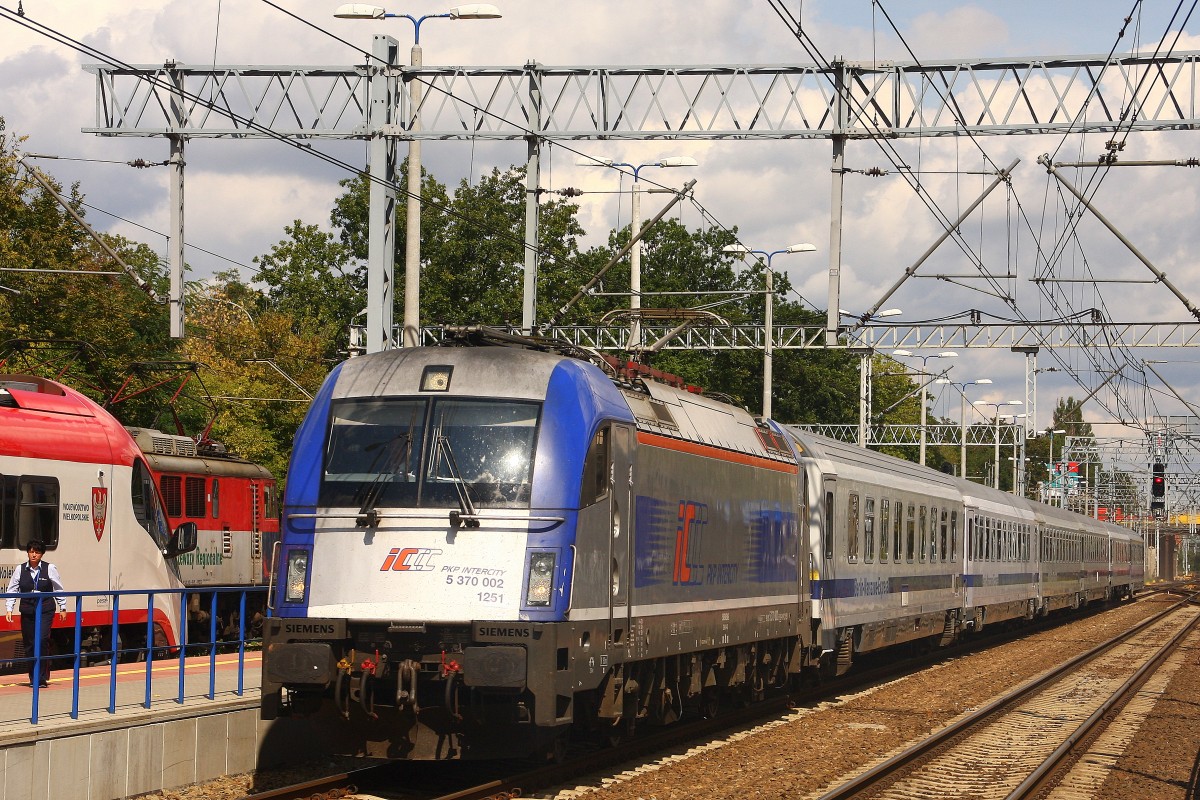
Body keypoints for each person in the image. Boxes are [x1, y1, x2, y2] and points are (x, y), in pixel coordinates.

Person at [5, 540, 67, 688]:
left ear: (42, 554)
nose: (34, 554)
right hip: (27, 610)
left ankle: (42, 678)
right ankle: (33, 677)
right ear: (28, 552)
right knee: (29, 644)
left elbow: (58, 589)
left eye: (37, 552)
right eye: (31, 551)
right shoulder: (20, 570)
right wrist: (9, 608)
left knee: (42, 640)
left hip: (45, 609)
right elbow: (12, 589)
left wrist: (62, 607)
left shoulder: (49, 568)